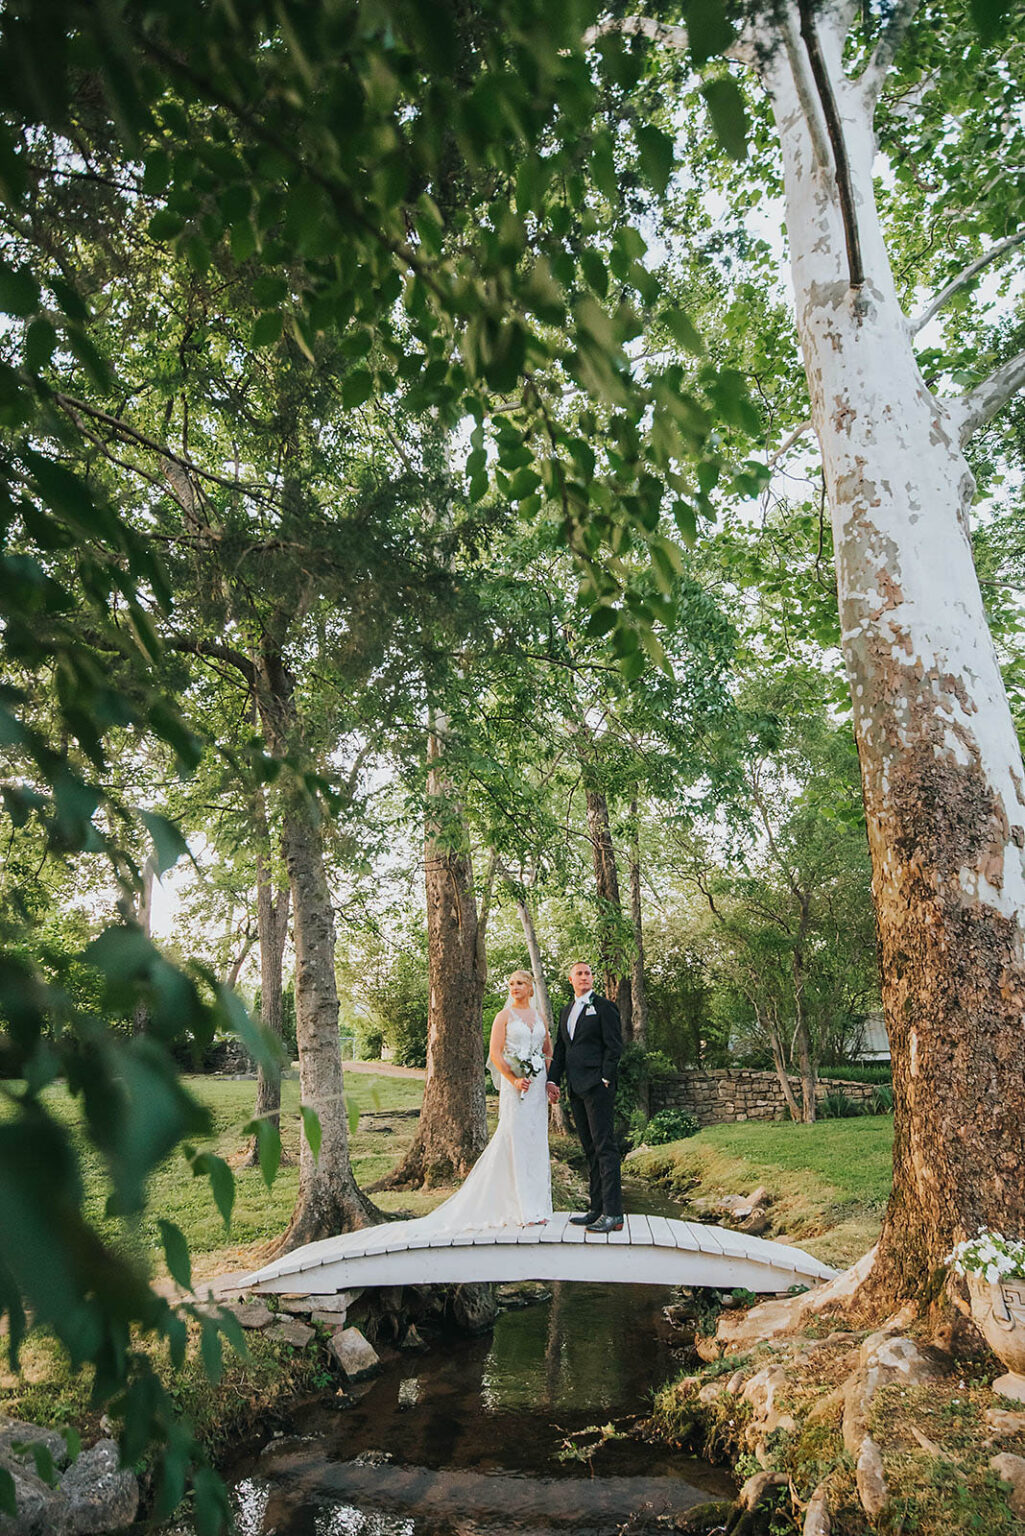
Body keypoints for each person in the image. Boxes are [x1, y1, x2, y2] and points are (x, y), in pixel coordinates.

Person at [389, 968, 554, 1233]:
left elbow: (547, 1051)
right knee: (515, 1140)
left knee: (535, 1142)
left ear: (531, 988)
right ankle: (516, 1206)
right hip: (516, 1089)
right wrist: (513, 1080)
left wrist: (547, 1080)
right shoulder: (504, 1017)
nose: (514, 987)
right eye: (511, 983)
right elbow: (496, 1054)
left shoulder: (539, 1017)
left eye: (520, 983)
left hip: (536, 1090)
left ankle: (537, 1207)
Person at [546, 960, 624, 1233]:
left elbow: (614, 1047)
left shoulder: (604, 1007)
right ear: (571, 980)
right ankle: (596, 1209)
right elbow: (561, 1048)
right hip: (575, 1088)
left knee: (605, 1147)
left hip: (597, 1087)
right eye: (579, 974)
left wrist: (605, 1078)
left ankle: (614, 1213)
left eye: (588, 973)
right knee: (590, 1149)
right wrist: (552, 1079)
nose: (584, 977)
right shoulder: (566, 1010)